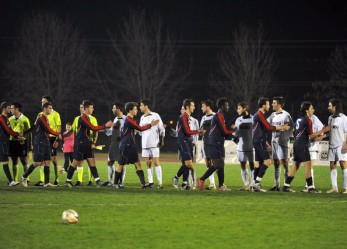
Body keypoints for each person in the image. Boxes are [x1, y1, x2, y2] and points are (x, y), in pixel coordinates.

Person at [282, 101, 330, 193]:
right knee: (308, 166)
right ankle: (311, 188)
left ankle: (286, 186)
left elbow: (295, 132)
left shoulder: (299, 119)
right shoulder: (308, 120)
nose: (313, 110)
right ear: (307, 110)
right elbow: (311, 135)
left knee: (296, 165)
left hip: (297, 144)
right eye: (311, 108)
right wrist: (323, 130)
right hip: (303, 145)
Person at [64, 100, 114, 187]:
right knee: (75, 163)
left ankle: (98, 182)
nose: (93, 109)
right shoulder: (82, 117)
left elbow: (93, 129)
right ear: (86, 108)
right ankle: (67, 182)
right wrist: (105, 126)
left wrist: (93, 141)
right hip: (80, 144)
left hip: (87, 143)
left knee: (92, 162)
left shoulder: (87, 118)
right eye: (91, 107)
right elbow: (92, 128)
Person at [112, 102, 159, 189]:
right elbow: (140, 128)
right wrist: (151, 125)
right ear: (130, 110)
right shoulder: (129, 119)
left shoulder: (130, 120)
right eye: (135, 109)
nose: (136, 110)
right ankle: (115, 184)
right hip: (126, 145)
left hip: (130, 145)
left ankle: (143, 184)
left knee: (137, 164)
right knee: (121, 164)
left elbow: (129, 131)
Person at [252, 97, 290, 192]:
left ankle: (254, 184)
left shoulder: (259, 115)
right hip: (259, 140)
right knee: (268, 162)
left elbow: (262, 129)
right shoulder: (260, 114)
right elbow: (268, 127)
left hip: (259, 140)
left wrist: (265, 141)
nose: (270, 106)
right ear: (264, 105)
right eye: (268, 104)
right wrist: (282, 127)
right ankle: (256, 184)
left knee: (259, 164)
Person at [198, 97, 234, 191]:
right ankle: (202, 179)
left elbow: (223, 132)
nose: (228, 106)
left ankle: (221, 185)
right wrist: (234, 131)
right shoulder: (218, 116)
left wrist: (232, 136)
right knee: (217, 164)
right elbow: (224, 131)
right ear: (222, 106)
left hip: (219, 142)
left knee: (221, 164)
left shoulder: (220, 116)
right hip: (215, 143)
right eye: (226, 105)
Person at [22, 102, 62, 187]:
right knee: (37, 162)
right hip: (40, 141)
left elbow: (46, 130)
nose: (51, 110)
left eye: (51, 108)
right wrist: (57, 134)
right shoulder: (41, 118)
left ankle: (46, 182)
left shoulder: (46, 118)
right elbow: (48, 129)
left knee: (47, 161)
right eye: (49, 108)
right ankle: (24, 176)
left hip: (46, 142)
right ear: (44, 109)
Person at [267, 96, 294, 191]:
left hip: (283, 142)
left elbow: (292, 129)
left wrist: (291, 144)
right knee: (276, 163)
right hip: (274, 142)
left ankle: (286, 185)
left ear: (278, 104)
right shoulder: (272, 115)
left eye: (274, 103)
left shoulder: (286, 115)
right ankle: (276, 185)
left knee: (285, 163)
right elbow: (266, 125)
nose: (272, 104)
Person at [172, 99, 200, 190]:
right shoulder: (184, 116)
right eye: (192, 106)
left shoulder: (187, 117)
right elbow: (187, 131)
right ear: (187, 107)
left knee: (187, 164)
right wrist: (198, 131)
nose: (194, 108)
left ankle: (184, 183)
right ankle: (191, 183)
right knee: (189, 164)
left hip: (187, 142)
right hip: (182, 142)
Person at [34, 95, 62, 186]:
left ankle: (57, 180)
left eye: (43, 102)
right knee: (43, 160)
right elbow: (36, 126)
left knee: (53, 160)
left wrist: (57, 140)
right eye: (41, 102)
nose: (42, 103)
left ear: (48, 103)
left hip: (52, 138)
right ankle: (42, 180)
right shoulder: (40, 114)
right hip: (43, 139)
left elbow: (58, 127)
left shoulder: (55, 114)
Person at [71, 102, 100, 186]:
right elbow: (74, 131)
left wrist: (94, 142)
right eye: (80, 107)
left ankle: (91, 180)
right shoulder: (77, 118)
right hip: (80, 143)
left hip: (89, 143)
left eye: (82, 107)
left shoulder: (93, 118)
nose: (81, 109)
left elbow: (95, 131)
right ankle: (79, 180)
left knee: (90, 161)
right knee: (79, 162)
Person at [139, 100, 165, 189]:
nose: (140, 107)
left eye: (141, 105)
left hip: (154, 143)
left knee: (156, 162)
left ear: (146, 106)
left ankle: (160, 183)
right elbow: (140, 130)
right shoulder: (142, 117)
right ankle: (151, 182)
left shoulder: (155, 115)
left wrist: (162, 140)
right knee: (148, 163)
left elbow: (161, 129)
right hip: (145, 144)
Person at [326, 98, 347, 194]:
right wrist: (322, 136)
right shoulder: (330, 118)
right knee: (332, 165)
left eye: (330, 105)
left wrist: (345, 145)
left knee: (343, 165)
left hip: (341, 145)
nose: (328, 107)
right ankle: (334, 187)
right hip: (332, 145)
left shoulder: (344, 118)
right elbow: (330, 131)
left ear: (335, 106)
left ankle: (346, 187)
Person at [233, 102, 254, 191]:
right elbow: (236, 134)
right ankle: (246, 185)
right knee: (243, 165)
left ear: (245, 108)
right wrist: (235, 139)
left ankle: (253, 184)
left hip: (251, 146)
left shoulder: (253, 119)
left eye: (239, 108)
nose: (237, 110)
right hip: (241, 146)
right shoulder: (238, 120)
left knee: (252, 165)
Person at [8, 103, 32, 182]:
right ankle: (15, 179)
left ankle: (26, 178)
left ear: (17, 109)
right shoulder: (10, 119)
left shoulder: (25, 119)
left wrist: (30, 144)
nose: (10, 110)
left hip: (22, 142)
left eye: (12, 108)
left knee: (23, 160)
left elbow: (29, 132)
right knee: (14, 160)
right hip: (12, 141)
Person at [104, 103, 126, 186]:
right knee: (110, 162)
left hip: (122, 144)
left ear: (119, 109)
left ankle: (121, 183)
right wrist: (105, 128)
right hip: (113, 144)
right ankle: (111, 181)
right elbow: (111, 132)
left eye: (114, 108)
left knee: (121, 164)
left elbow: (130, 131)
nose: (112, 109)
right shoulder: (115, 119)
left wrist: (122, 137)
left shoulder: (126, 119)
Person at [0, 102, 22, 186]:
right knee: (5, 161)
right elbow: (8, 130)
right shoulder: (1, 118)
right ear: (4, 109)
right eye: (9, 108)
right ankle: (11, 181)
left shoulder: (6, 118)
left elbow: (10, 131)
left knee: (5, 160)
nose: (10, 109)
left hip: (5, 141)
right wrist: (17, 134)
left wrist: (17, 137)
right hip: (2, 142)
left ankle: (11, 181)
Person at [302, 114, 323, 192]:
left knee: (310, 166)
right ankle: (308, 185)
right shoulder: (302, 119)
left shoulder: (314, 118)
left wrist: (319, 136)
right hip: (305, 146)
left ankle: (311, 186)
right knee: (307, 167)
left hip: (312, 147)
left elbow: (321, 128)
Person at [199, 99, 216, 190]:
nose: (202, 108)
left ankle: (221, 183)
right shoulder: (203, 118)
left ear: (208, 107)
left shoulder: (216, 116)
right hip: (205, 143)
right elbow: (200, 131)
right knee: (208, 164)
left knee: (216, 163)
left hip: (214, 144)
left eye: (203, 106)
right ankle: (212, 183)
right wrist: (201, 132)